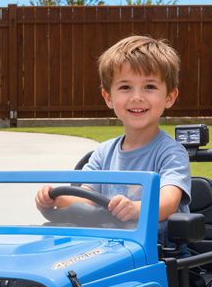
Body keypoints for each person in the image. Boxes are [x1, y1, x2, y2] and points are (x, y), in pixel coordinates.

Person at [35, 35, 191, 243]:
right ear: (108, 97)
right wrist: (55, 199)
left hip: (156, 249)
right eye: (125, 87)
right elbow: (85, 199)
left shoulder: (171, 153)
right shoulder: (103, 153)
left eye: (149, 87)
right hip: (107, 242)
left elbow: (168, 201)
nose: (137, 97)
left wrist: (135, 209)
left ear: (169, 97)